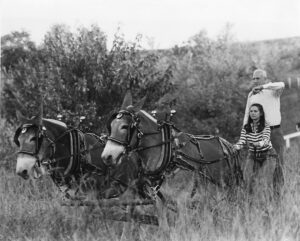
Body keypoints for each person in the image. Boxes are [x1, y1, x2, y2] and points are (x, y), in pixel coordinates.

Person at [235, 103, 282, 198]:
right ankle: (250, 202)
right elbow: (242, 141)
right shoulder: (246, 127)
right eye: (251, 111)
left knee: (266, 180)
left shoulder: (266, 125)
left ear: (260, 113)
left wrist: (259, 143)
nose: (253, 113)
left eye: (255, 111)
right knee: (247, 179)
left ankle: (269, 202)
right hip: (253, 155)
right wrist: (235, 147)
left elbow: (265, 139)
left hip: (268, 155)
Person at [243, 69, 285, 166]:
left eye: (258, 78)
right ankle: (258, 182)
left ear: (265, 79)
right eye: (253, 79)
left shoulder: (273, 90)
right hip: (257, 133)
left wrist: (263, 87)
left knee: (279, 162)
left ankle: (279, 182)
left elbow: (282, 84)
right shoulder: (251, 94)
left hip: (275, 132)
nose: (255, 81)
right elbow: (246, 114)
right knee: (256, 164)